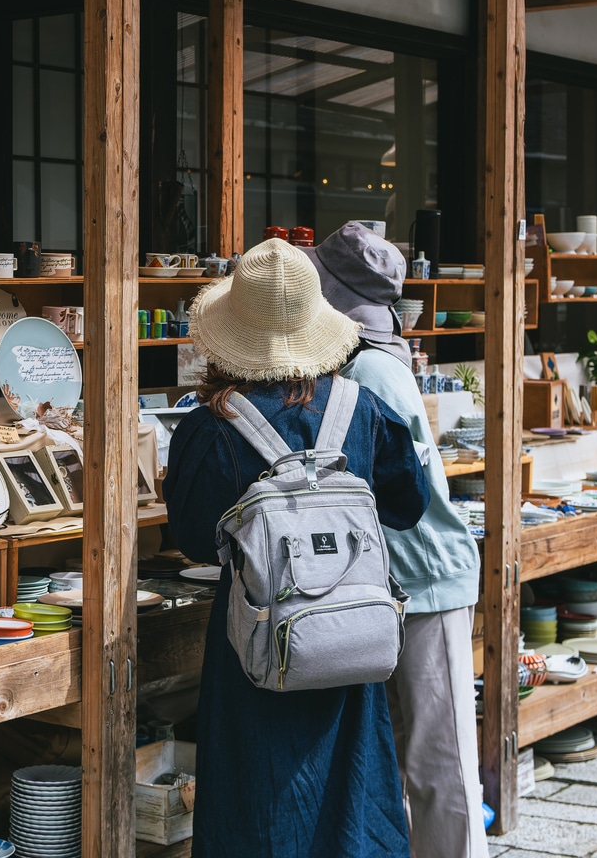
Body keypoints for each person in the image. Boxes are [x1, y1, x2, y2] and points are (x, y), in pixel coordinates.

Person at [164, 237, 429, 858]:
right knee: (350, 801)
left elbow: (197, 542)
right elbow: (408, 507)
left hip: (255, 643)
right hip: (349, 637)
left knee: (258, 806)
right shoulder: (361, 410)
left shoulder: (210, 427)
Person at [309, 221, 486, 858]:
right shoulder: (370, 363)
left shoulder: (371, 373)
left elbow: (396, 493)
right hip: (400, 579)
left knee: (442, 765)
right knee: (407, 763)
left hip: (425, 580)